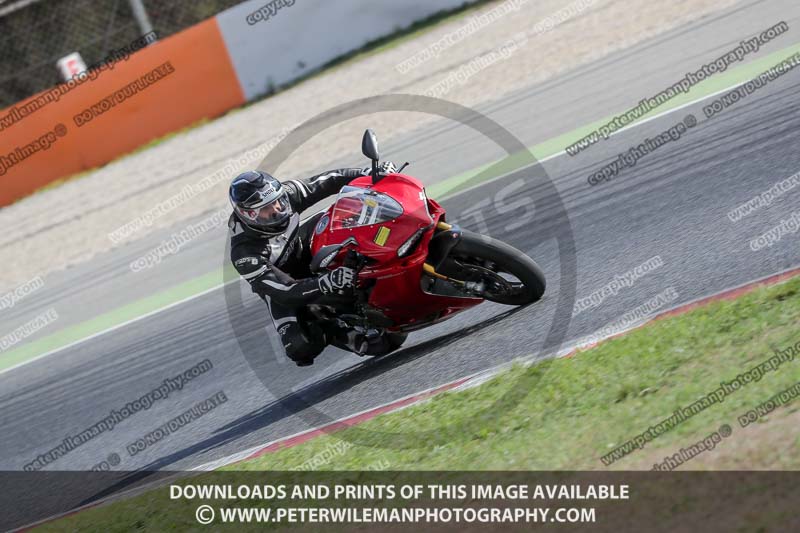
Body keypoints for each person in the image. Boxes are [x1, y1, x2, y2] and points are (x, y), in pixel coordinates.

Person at [228, 164, 399, 366]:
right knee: (299, 346)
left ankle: (386, 248)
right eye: (266, 209)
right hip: (284, 285)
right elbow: (285, 291)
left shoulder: (287, 195)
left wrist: (369, 173)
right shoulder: (245, 253)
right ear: (248, 214)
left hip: (302, 244)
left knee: (344, 213)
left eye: (277, 202)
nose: (277, 210)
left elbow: (329, 180)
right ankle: (332, 326)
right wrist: (326, 282)